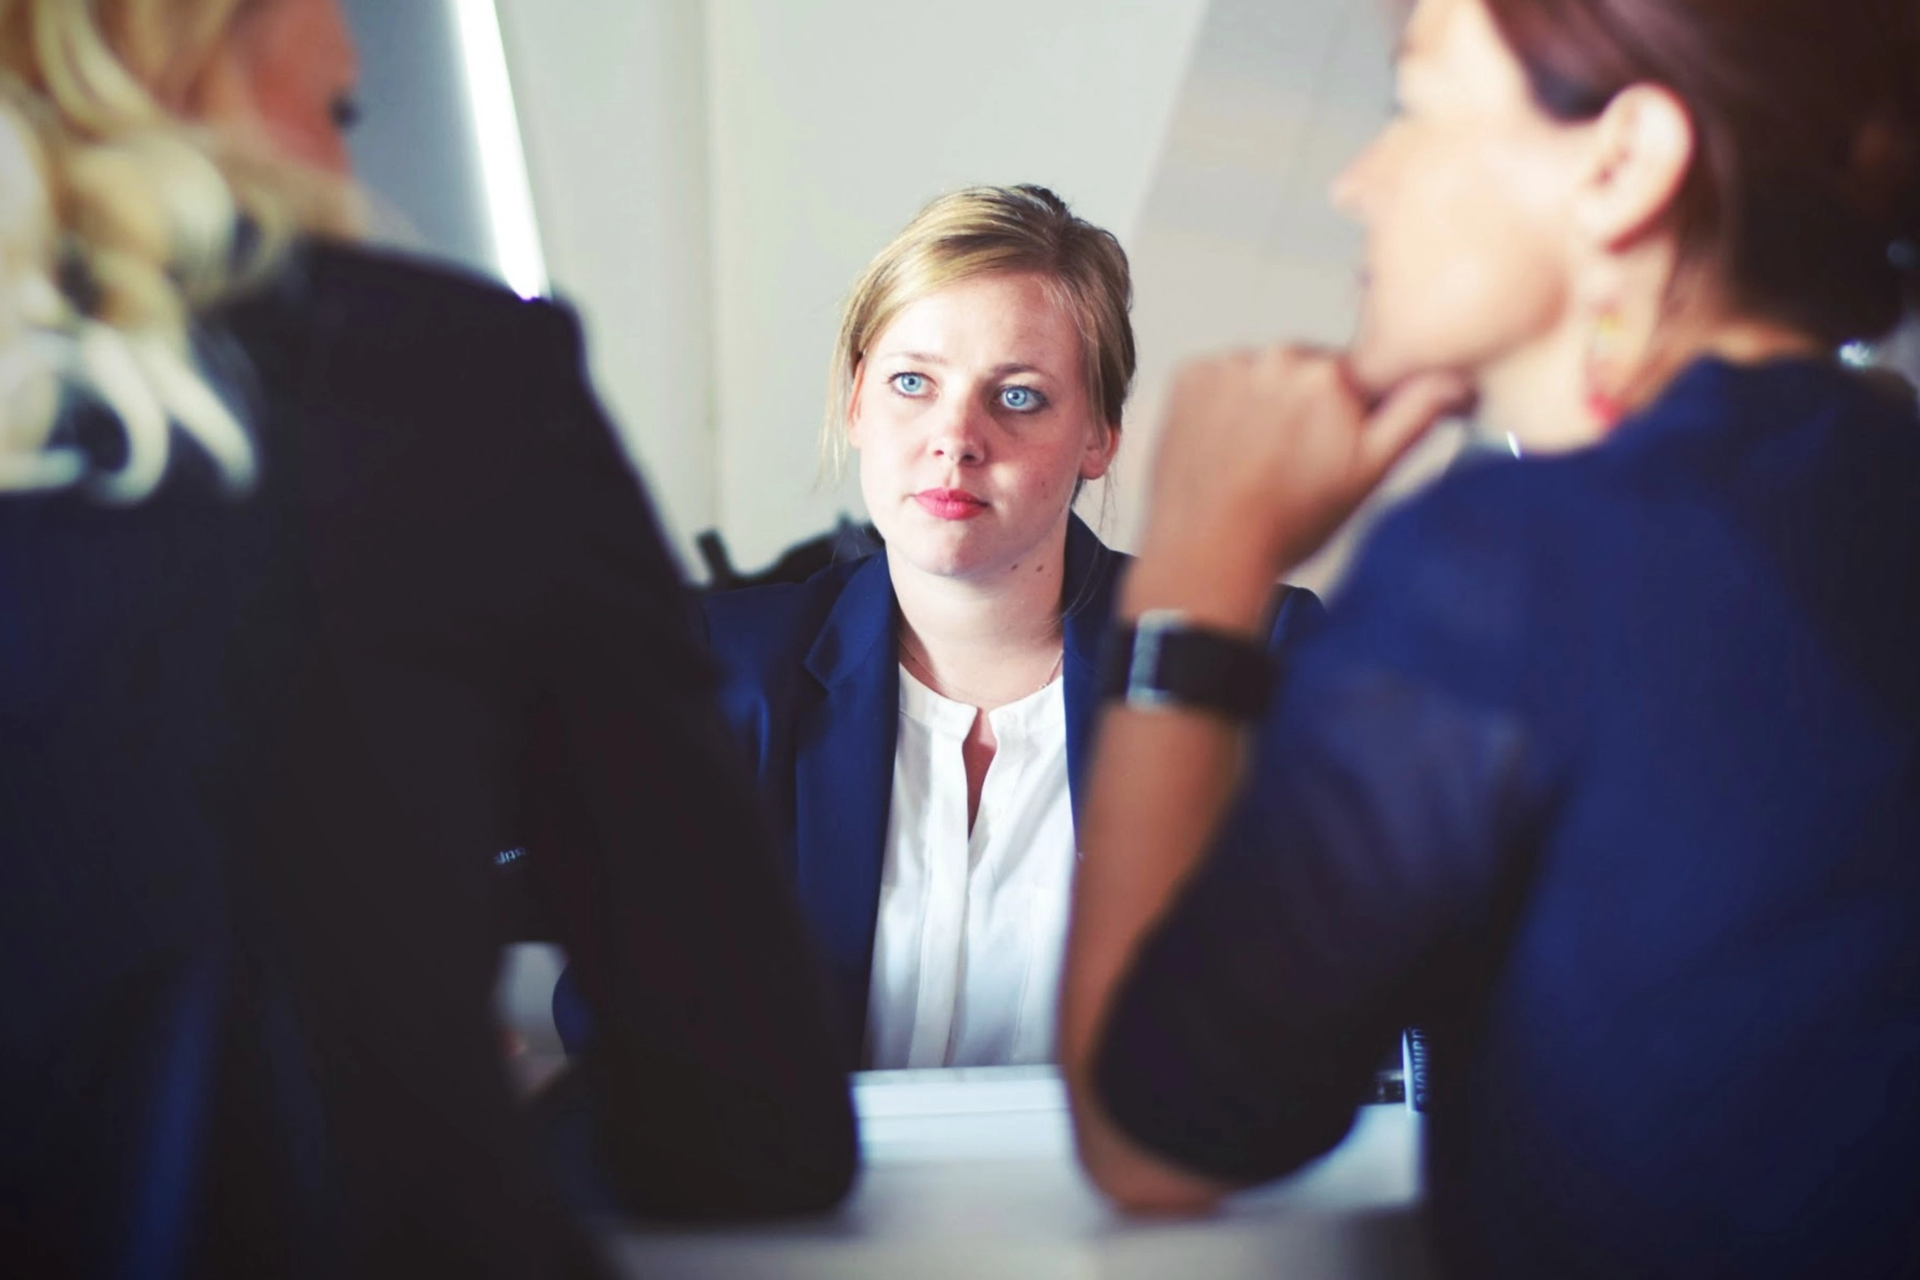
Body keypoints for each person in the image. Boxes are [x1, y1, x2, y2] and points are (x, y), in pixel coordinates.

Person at [1059, 0, 1920, 1277]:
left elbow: (1156, 1132)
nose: (1359, 181)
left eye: (1415, 105)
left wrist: (1198, 560)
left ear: (1621, 165)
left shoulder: (1513, 564)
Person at [0, 1, 855, 1276]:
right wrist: (438, 1103)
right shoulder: (448, 380)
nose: (346, 163)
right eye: (339, 112)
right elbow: (745, 1113)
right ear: (197, 42)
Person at [699, 185, 1322, 1068]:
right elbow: (621, 1027)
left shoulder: (1251, 657)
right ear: (856, 404)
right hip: (806, 1205)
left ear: (1100, 436)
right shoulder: (723, 672)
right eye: (912, 383)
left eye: (1019, 397)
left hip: (1138, 1204)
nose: (955, 438)